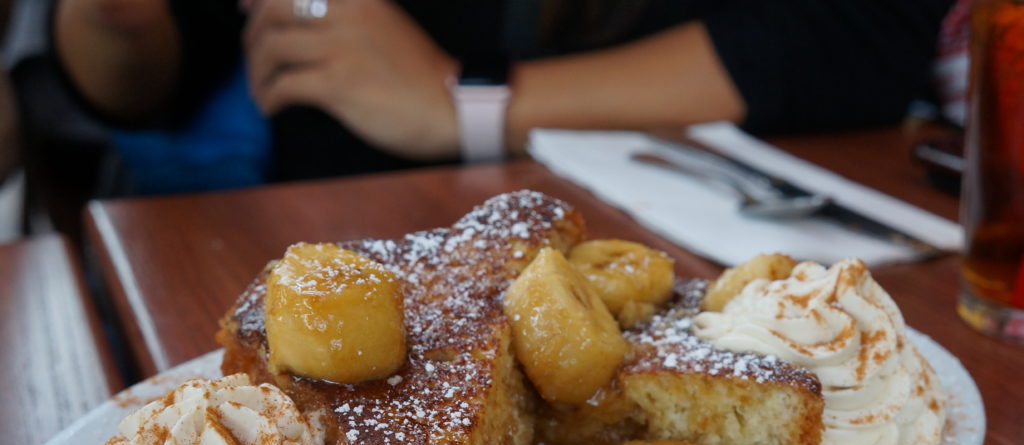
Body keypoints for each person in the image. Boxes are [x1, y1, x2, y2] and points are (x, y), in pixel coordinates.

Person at [43, 0, 954, 193]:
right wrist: (114, 25)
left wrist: (472, 102)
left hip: (694, 208)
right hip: (347, 220)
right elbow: (163, 72)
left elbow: (854, 40)